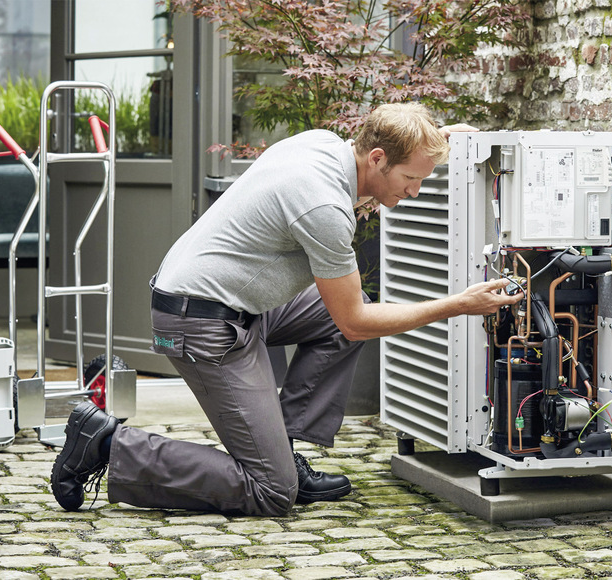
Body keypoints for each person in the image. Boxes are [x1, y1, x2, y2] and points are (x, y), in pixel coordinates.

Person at [51, 102, 524, 516]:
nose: (416, 191)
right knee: (272, 491)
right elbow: (355, 323)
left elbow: (391, 141)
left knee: (334, 315)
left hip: (231, 302)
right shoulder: (323, 206)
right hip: (199, 322)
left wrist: (436, 140)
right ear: (377, 159)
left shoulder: (324, 146)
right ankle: (109, 445)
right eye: (411, 179)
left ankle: (283, 444)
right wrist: (458, 305)